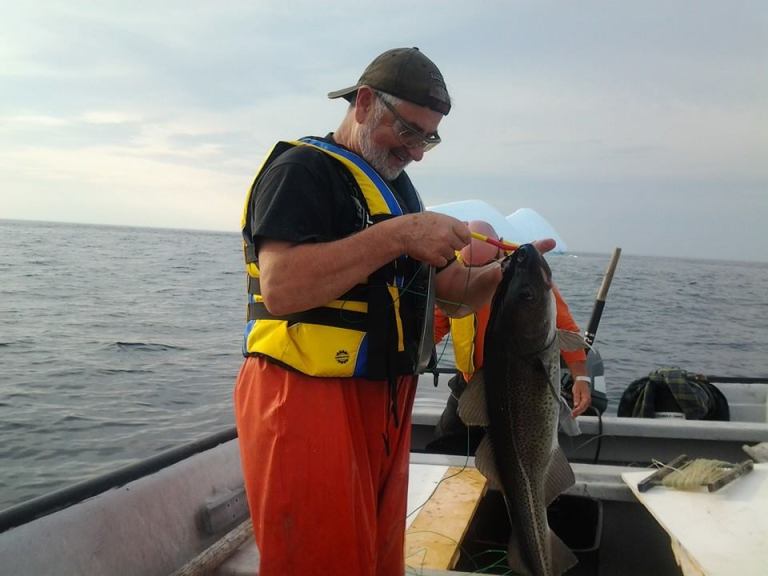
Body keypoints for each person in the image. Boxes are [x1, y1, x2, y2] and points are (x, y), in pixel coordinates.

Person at [233, 47, 555, 576]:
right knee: (319, 561)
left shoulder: (398, 190)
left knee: (376, 562)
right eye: (409, 132)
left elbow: (449, 294)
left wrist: (514, 280)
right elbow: (282, 287)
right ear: (363, 103)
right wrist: (401, 234)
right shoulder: (302, 172)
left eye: (428, 138)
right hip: (305, 397)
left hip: (383, 402)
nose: (418, 153)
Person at [430, 220, 592, 452]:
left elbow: (564, 325)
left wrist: (581, 377)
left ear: (498, 249)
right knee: (443, 448)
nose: (479, 276)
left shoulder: (525, 278)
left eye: (485, 266)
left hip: (516, 383)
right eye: (470, 268)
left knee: (514, 452)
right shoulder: (455, 272)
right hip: (469, 383)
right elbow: (438, 323)